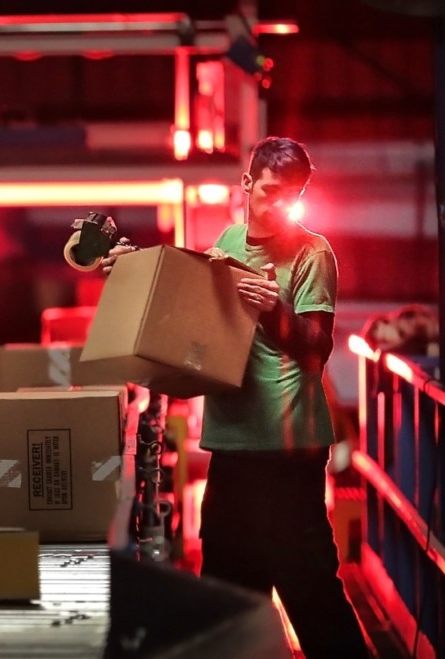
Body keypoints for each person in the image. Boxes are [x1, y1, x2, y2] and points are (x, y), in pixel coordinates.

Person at [100, 137, 369, 658]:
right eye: (270, 192)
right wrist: (131, 275)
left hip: (289, 454)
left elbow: (317, 350)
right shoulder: (225, 240)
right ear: (246, 184)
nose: (279, 206)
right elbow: (191, 315)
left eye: (291, 197)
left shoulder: (314, 253)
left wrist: (274, 309)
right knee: (227, 594)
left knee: (310, 591)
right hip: (232, 448)